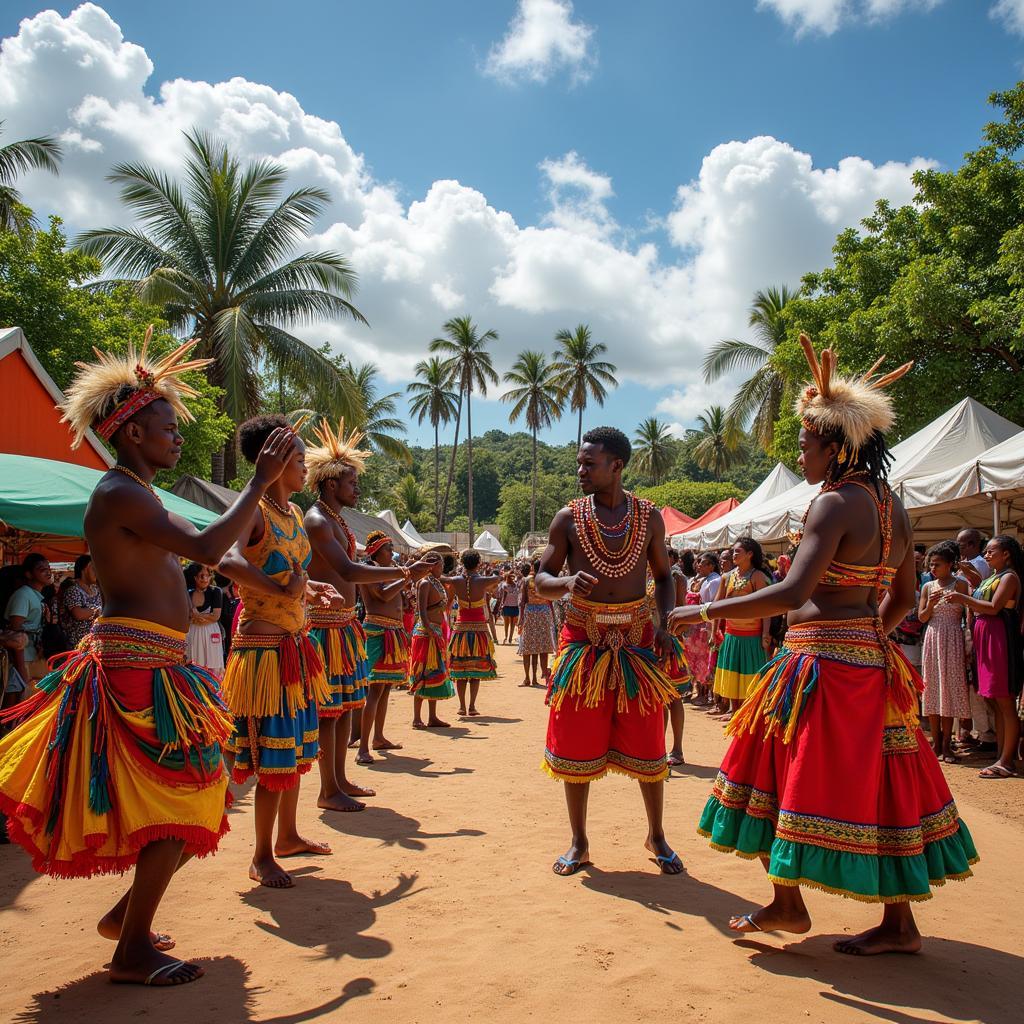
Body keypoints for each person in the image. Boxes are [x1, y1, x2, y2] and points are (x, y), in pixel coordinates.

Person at [0, 328, 299, 985]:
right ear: (133, 433)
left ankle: (127, 921)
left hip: (161, 668)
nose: (177, 437)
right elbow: (213, 541)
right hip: (136, 668)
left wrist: (277, 583)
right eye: (167, 426)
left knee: (197, 799)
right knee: (189, 800)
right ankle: (132, 948)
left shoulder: (143, 496)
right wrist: (258, 481)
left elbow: (219, 554)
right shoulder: (120, 494)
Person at [670, 335, 976, 952]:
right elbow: (904, 601)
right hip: (870, 664)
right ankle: (899, 924)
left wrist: (703, 609)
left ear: (835, 446)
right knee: (886, 780)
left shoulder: (833, 504)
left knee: (772, 770)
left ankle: (788, 906)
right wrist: (865, 636)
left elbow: (790, 593)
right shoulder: (893, 505)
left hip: (818, 667)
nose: (801, 454)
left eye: (807, 444)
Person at [535, 426, 682, 877]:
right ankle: (578, 841)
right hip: (582, 642)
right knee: (575, 741)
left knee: (648, 741)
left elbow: (664, 577)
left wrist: (666, 621)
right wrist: (565, 583)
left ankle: (656, 835)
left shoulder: (648, 517)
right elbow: (540, 580)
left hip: (637, 642)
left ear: (616, 466)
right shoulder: (568, 518)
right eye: (579, 462)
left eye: (589, 463)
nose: (580, 470)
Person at [219, 414, 339, 889]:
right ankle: (261, 854)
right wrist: (282, 588)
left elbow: (293, 577)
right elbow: (227, 561)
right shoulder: (255, 510)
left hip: (294, 646)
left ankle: (288, 836)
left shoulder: (290, 515)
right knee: (272, 757)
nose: (305, 465)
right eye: (298, 458)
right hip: (263, 652)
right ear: (274, 461)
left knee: (291, 751)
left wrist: (313, 592)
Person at [302, 420, 435, 803]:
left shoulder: (336, 519)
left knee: (346, 707)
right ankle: (328, 788)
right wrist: (405, 571)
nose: (356, 488)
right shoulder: (316, 520)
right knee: (330, 711)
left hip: (343, 627)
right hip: (325, 627)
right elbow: (348, 571)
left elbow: (355, 566)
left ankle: (340, 781)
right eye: (351, 482)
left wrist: (407, 572)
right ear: (330, 485)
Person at [947, 535, 1024, 779]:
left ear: (1007, 554)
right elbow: (983, 595)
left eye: (992, 552)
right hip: (987, 639)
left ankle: (1006, 760)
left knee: (1004, 701)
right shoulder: (993, 577)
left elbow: (993, 607)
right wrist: (972, 579)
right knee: (994, 701)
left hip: (1000, 640)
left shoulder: (1010, 577)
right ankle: (1003, 754)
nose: (987, 555)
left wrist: (962, 598)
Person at [356, 530, 416, 762]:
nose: (392, 552)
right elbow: (381, 596)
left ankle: (378, 737)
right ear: (375, 551)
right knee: (374, 690)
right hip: (378, 631)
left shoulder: (386, 571)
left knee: (384, 689)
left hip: (391, 630)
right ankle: (363, 748)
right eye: (388, 548)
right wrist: (404, 579)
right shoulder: (369, 570)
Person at [918, 541, 970, 764]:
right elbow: (921, 617)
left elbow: (969, 616)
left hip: (952, 639)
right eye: (931, 565)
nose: (932, 568)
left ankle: (947, 744)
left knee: (947, 689)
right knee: (932, 688)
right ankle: (936, 743)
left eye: (937, 564)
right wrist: (930, 605)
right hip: (932, 637)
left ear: (950, 564)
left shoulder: (961, 585)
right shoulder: (928, 587)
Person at [709, 537, 772, 721]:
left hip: (752, 636)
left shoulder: (758, 577)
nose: (733, 555)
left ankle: (748, 715)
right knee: (732, 674)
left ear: (750, 554)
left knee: (750, 675)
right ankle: (734, 712)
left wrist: (765, 633)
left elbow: (766, 607)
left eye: (738, 552)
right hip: (731, 634)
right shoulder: (726, 577)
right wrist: (713, 631)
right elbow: (716, 606)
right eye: (733, 551)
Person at [449, 550, 500, 717]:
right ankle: (471, 706)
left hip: (461, 628)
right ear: (478, 563)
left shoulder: (456, 581)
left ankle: (462, 706)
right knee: (476, 669)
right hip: (479, 629)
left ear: (463, 563)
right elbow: (497, 578)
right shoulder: (483, 581)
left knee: (461, 669)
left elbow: (444, 584)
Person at [409, 556, 456, 727]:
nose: (443, 567)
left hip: (436, 631)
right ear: (431, 566)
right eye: (441, 564)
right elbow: (421, 611)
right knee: (422, 673)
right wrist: (430, 631)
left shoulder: (436, 582)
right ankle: (416, 718)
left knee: (435, 672)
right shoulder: (425, 583)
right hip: (426, 633)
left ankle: (432, 717)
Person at [3, 554, 52, 689]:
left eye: (48, 568)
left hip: (34, 657)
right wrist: (21, 671)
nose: (48, 571)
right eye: (41, 569)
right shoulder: (23, 595)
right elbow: (15, 635)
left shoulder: (36, 596)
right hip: (23, 660)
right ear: (29, 574)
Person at [685, 551, 720, 708]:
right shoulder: (692, 580)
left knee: (705, 659)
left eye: (703, 562)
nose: (698, 564)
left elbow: (713, 606)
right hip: (692, 627)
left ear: (711, 566)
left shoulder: (714, 581)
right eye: (698, 561)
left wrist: (711, 629)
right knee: (692, 658)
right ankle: (696, 691)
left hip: (704, 626)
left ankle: (705, 695)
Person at [517, 559, 556, 687]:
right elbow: (551, 599)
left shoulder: (526, 580)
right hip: (544, 613)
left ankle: (527, 678)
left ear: (533, 567)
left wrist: (521, 618)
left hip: (530, 613)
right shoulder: (548, 580)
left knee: (527, 648)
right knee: (542, 647)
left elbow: (523, 601)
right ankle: (538, 677)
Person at [183, 563, 224, 675]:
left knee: (213, 663)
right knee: (194, 663)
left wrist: (196, 616)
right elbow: (187, 615)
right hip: (194, 632)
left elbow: (215, 616)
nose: (205, 579)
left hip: (210, 632)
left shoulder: (216, 591)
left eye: (207, 575)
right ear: (195, 577)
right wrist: (202, 617)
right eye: (201, 576)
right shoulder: (188, 593)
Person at [60, 554, 102, 650]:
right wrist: (98, 611)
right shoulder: (73, 590)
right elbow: (78, 614)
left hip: (93, 645)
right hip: (77, 646)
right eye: (93, 568)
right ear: (85, 569)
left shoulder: (96, 589)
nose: (97, 572)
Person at [497, 569, 522, 645]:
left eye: (513, 576)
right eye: (511, 576)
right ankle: (506, 637)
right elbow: (503, 596)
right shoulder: (505, 585)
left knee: (512, 624)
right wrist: (501, 605)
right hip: (507, 606)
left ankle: (509, 638)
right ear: (508, 576)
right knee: (508, 623)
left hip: (513, 606)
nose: (512, 577)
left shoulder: (516, 584)